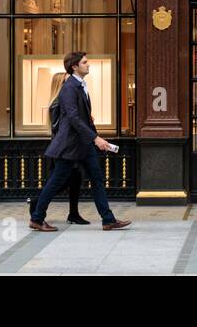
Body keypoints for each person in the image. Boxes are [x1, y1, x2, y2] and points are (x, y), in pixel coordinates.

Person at [29, 51, 131, 232]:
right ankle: (37, 218)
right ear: (74, 66)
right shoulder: (69, 88)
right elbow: (74, 119)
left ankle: (108, 220)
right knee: (56, 181)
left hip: (83, 144)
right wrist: (95, 138)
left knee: (97, 179)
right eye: (85, 62)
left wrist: (96, 139)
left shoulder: (80, 85)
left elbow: (84, 119)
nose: (88, 64)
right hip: (69, 145)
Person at [26, 72, 87, 225]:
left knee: (75, 178)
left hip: (68, 148)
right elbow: (61, 128)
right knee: (59, 181)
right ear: (61, 84)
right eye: (67, 81)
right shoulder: (57, 103)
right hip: (63, 149)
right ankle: (37, 205)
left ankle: (73, 213)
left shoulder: (62, 101)